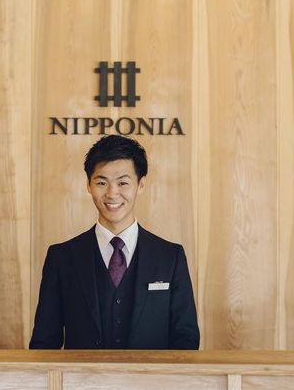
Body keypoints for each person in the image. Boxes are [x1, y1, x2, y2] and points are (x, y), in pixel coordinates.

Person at [29, 135, 200, 349]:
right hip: (82, 372)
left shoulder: (170, 257)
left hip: (152, 372)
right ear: (88, 185)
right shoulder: (62, 258)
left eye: (123, 183)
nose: (112, 193)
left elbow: (186, 340)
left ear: (141, 184)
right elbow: (44, 343)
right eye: (101, 183)